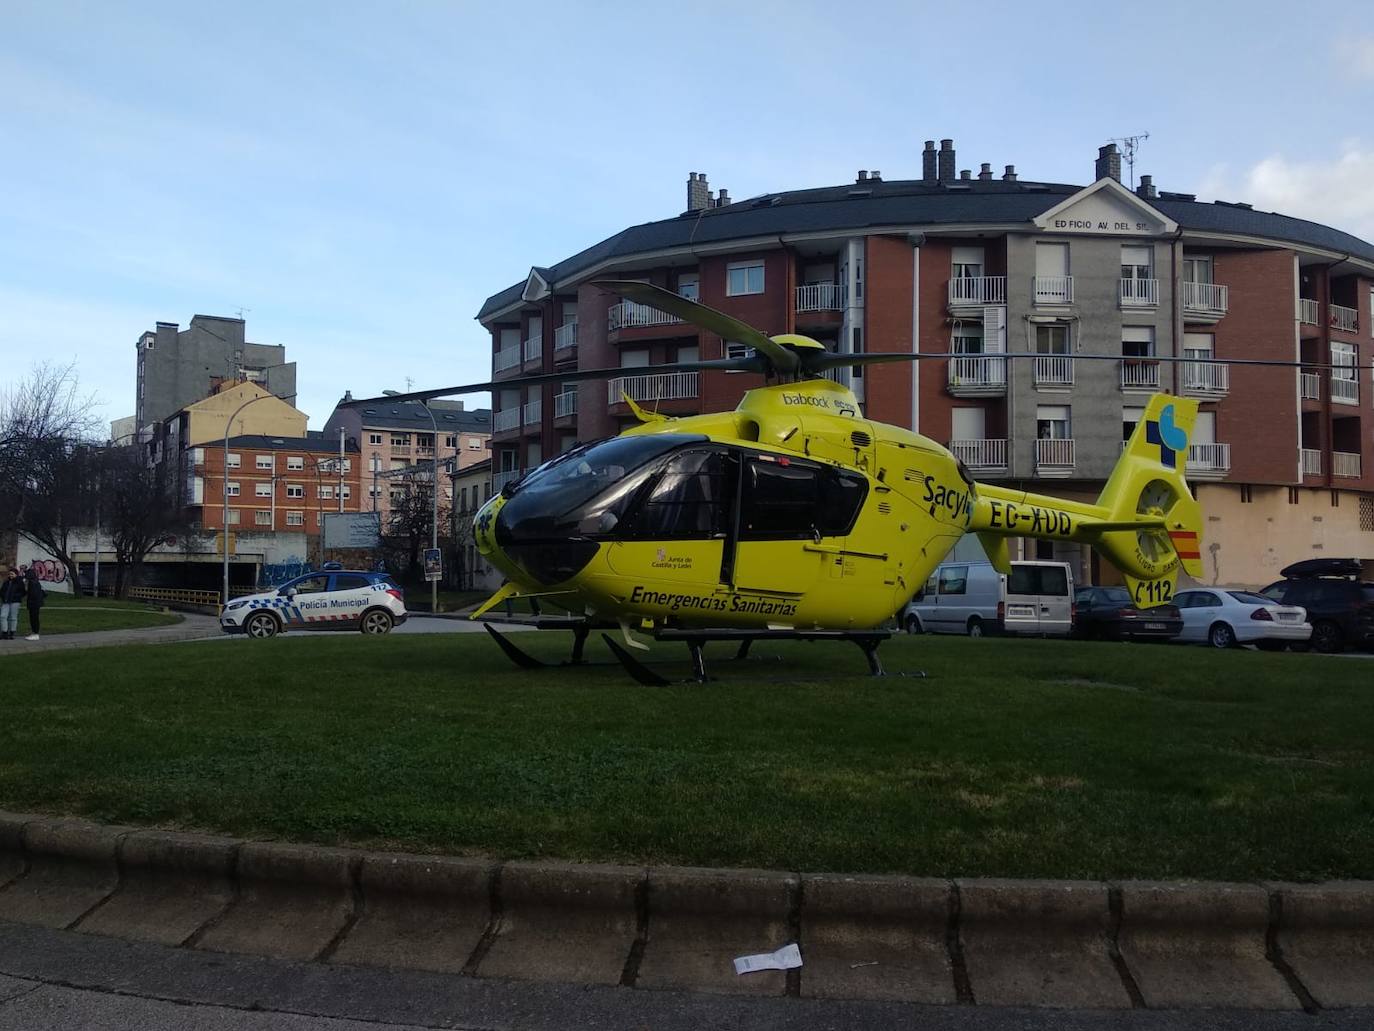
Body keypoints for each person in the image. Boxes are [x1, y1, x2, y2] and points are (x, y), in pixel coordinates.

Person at [0, 568, 25, 641]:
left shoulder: (19, 582)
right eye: (10, 574)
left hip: (15, 602)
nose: (10, 575)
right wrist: (3, 596)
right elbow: (2, 591)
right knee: (3, 616)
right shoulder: (6, 582)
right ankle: (4, 632)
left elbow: (23, 592)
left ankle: (11, 633)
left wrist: (16, 596)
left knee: (13, 617)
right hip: (6, 602)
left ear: (16, 574)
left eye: (12, 574)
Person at [23, 566, 44, 641]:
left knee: (34, 619)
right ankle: (34, 632)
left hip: (34, 603)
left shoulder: (32, 583)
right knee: (34, 618)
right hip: (35, 603)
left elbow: (33, 594)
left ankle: (35, 633)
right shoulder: (36, 582)